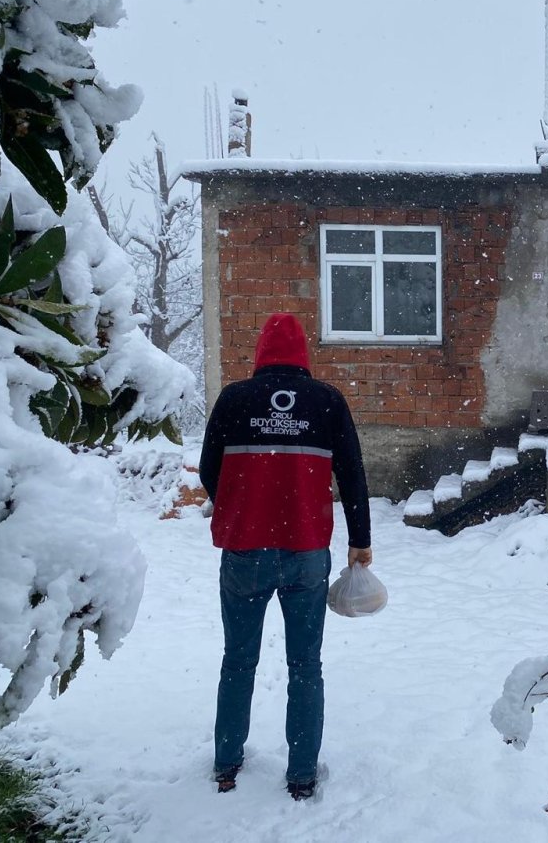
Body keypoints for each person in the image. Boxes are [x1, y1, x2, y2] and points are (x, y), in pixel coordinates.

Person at [198, 312, 371, 800]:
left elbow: (209, 469)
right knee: (305, 665)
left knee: (237, 661)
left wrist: (242, 506)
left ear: (261, 352)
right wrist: (360, 538)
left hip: (244, 551)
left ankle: (227, 764)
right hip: (306, 551)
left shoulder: (234, 399)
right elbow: (352, 474)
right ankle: (302, 775)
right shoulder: (327, 401)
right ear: (303, 354)